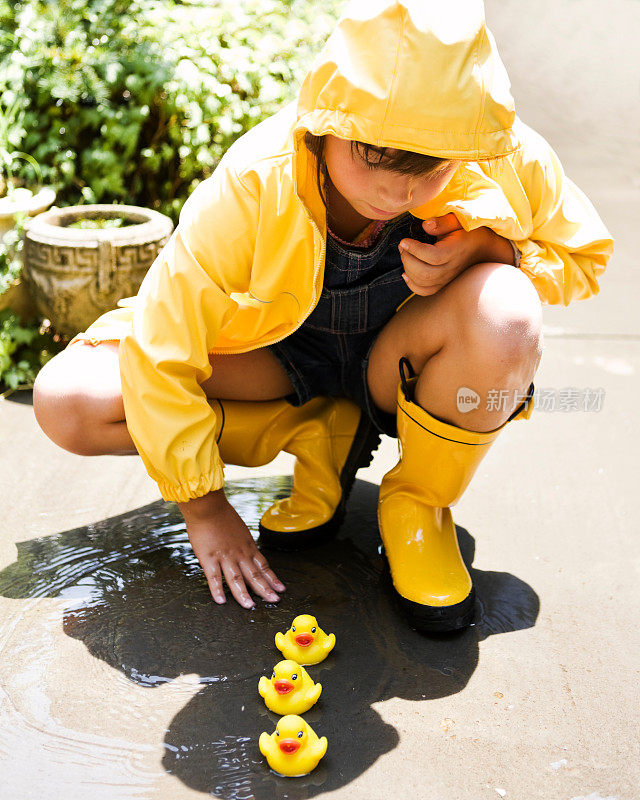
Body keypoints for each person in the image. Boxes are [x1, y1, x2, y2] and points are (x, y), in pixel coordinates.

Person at [32, 0, 613, 633]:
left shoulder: (498, 150)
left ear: (465, 144)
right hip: (280, 358)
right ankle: (313, 428)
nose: (394, 196)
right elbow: (163, 342)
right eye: (371, 157)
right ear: (326, 117)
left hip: (402, 365)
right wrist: (203, 506)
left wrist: (488, 248)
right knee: (69, 401)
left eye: (430, 170)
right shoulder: (256, 179)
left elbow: (583, 259)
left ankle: (418, 505)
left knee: (508, 313)